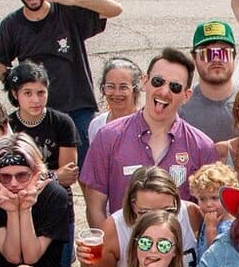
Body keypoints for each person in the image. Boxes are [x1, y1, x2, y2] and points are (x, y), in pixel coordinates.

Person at [0, 0, 123, 165]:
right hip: (37, 112)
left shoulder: (67, 12)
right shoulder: (11, 25)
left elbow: (115, 9)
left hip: (78, 107)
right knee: (35, 170)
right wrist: (12, 82)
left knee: (89, 171)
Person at [80, 49, 219, 226]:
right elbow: (95, 206)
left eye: (175, 87)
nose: (164, 91)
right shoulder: (108, 137)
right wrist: (109, 249)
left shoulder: (202, 147)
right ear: (145, 82)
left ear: (186, 95)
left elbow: (210, 212)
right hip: (122, 251)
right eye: (158, 81)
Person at [0, 132, 73, 267]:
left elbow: (31, 256)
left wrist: (25, 210)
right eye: (5, 177)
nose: (14, 183)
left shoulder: (55, 195)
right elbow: (12, 256)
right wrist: (12, 212)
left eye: (22, 175)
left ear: (36, 172)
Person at [85, 165, 198, 267]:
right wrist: (86, 265)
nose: (157, 220)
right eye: (146, 213)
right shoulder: (114, 229)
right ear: (133, 205)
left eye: (168, 211)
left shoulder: (191, 214)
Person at [5, 59, 81, 188]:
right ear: (15, 94)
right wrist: (54, 176)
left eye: (41, 93)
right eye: (27, 93)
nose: (35, 100)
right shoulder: (7, 126)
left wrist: (29, 179)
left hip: (57, 195)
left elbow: (68, 176)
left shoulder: (62, 123)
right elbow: (9, 177)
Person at [179, 22, 239, 141]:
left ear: (234, 56)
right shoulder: (180, 107)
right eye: (207, 54)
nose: (216, 59)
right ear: (194, 58)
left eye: (223, 53)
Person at [92, 56, 144, 146]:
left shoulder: (147, 124)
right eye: (111, 86)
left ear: (135, 90)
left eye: (123, 87)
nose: (116, 93)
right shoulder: (96, 125)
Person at [187, 162, 238, 256]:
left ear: (228, 196)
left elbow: (216, 257)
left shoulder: (230, 227)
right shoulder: (208, 219)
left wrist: (211, 229)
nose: (208, 204)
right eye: (202, 199)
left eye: (214, 198)